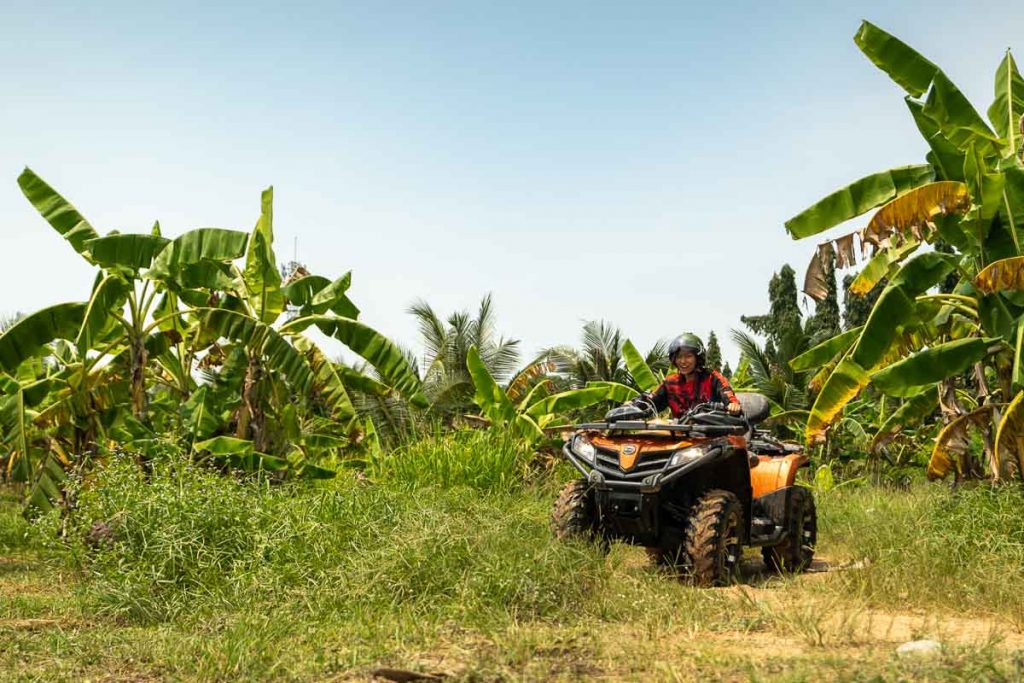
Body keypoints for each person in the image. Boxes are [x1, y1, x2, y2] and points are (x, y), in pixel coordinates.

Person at [636, 333, 742, 418]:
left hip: (709, 437)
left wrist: (733, 405)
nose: (683, 361)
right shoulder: (670, 383)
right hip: (678, 438)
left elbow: (727, 393)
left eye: (688, 356)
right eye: (679, 357)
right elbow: (651, 401)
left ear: (698, 358)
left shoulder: (712, 378)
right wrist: (633, 405)